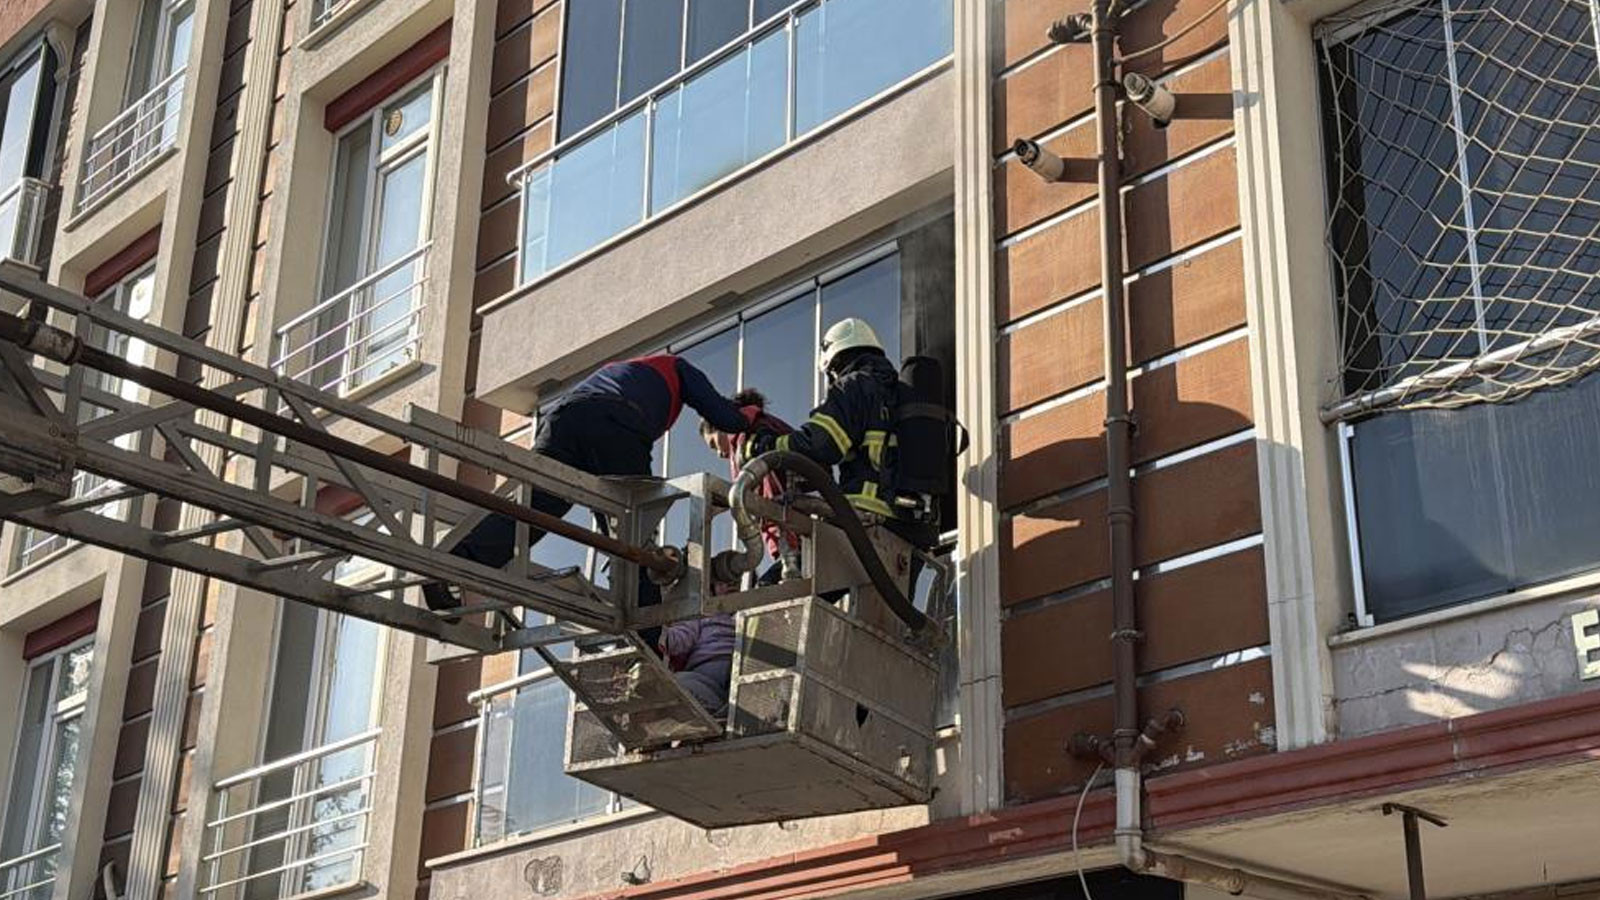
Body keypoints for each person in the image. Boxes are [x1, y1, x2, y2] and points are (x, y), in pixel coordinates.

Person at [422, 354, 752, 618]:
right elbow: (725, 416)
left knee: (534, 511)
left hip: (562, 421)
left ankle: (456, 564)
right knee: (634, 530)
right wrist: (752, 416)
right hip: (613, 421)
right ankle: (648, 635)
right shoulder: (679, 367)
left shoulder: (629, 372)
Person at [750, 318, 940, 585]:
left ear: (836, 362)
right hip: (911, 532)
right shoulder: (900, 394)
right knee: (885, 611)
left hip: (866, 525)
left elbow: (820, 444)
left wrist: (770, 446)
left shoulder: (855, 386)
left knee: (775, 587)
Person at [700, 388, 798, 589]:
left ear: (719, 425)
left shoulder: (750, 434)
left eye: (714, 444)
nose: (719, 454)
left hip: (793, 531)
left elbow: (768, 489)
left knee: (767, 589)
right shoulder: (756, 427)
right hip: (793, 531)